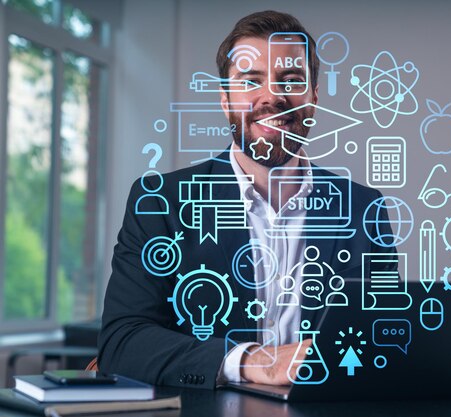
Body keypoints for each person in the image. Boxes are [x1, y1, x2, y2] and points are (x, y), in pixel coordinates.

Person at [98, 10, 395, 389]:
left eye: (291, 80)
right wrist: (254, 362)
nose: (272, 96)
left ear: (314, 98)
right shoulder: (161, 203)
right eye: (250, 81)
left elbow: (385, 333)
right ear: (225, 100)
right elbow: (122, 342)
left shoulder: (363, 209)